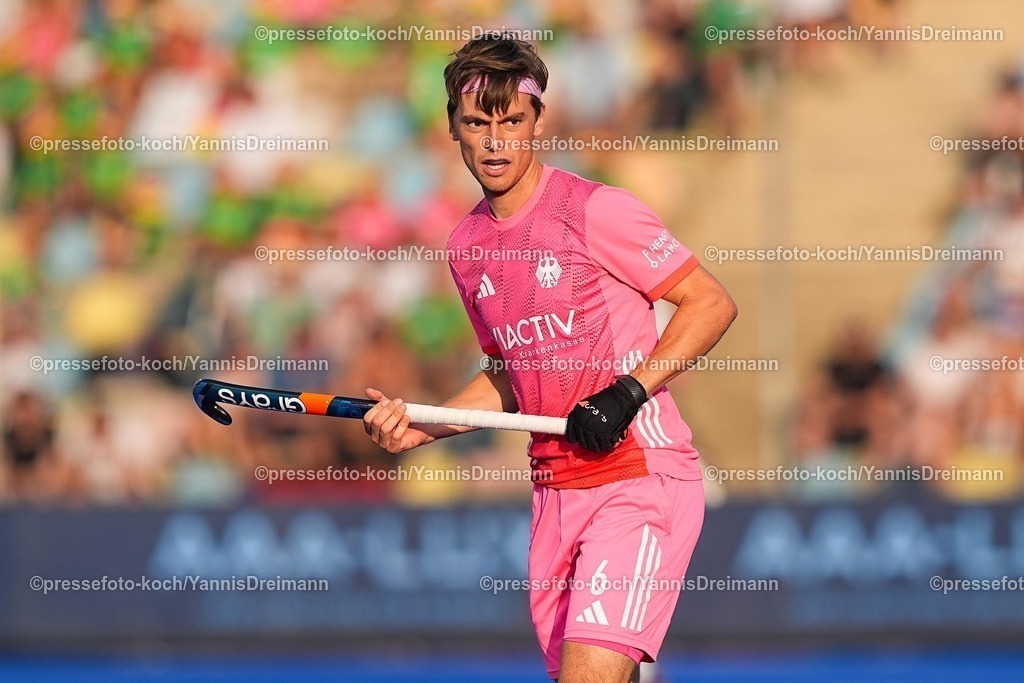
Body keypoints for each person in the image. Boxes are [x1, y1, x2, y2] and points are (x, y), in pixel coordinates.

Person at [363, 34, 737, 683]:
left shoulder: (598, 210)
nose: (496, 140)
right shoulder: (467, 246)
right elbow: (512, 375)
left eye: (512, 121)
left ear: (539, 121)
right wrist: (422, 423)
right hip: (555, 496)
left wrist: (628, 392)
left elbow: (710, 303)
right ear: (454, 127)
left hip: (639, 477)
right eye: (478, 123)